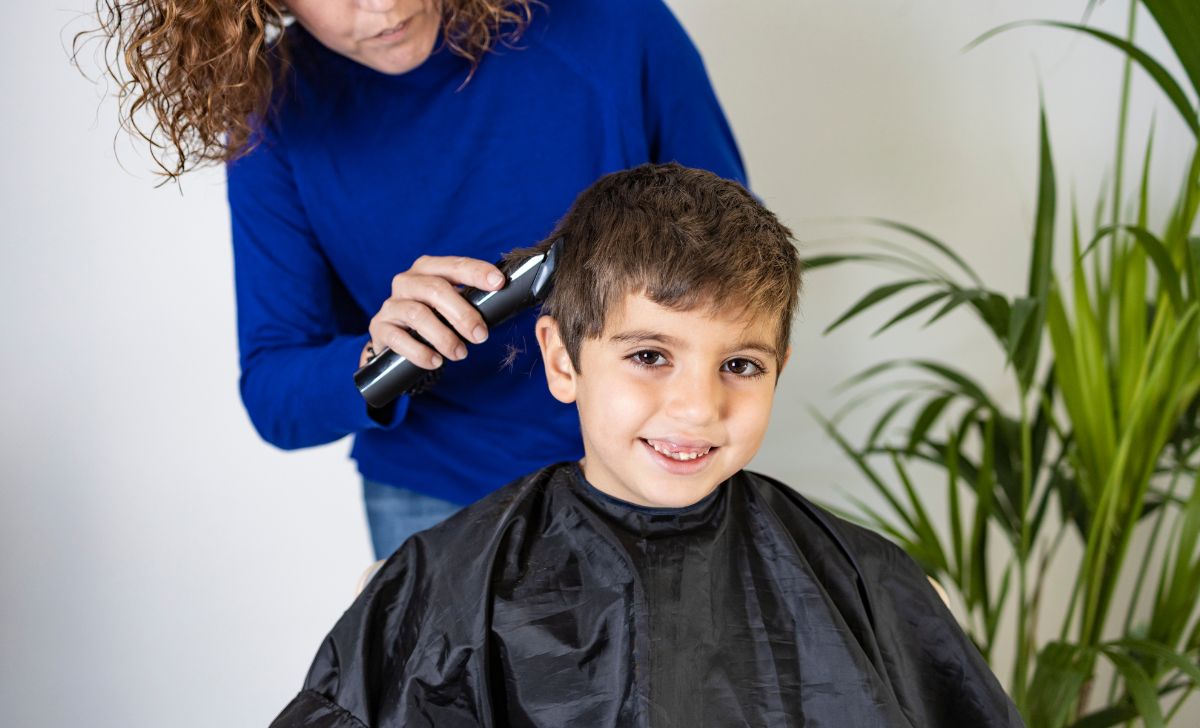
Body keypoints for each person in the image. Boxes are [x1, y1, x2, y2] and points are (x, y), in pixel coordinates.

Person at [270, 164, 1024, 727]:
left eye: (740, 365)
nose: (697, 406)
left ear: (778, 371)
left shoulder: (860, 579)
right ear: (563, 360)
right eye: (649, 356)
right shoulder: (450, 584)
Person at [84, 0, 745, 559]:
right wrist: (381, 355)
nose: (384, 6)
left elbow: (738, 262)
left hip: (654, 466)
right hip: (431, 505)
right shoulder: (275, 116)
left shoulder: (617, 24)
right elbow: (273, 390)